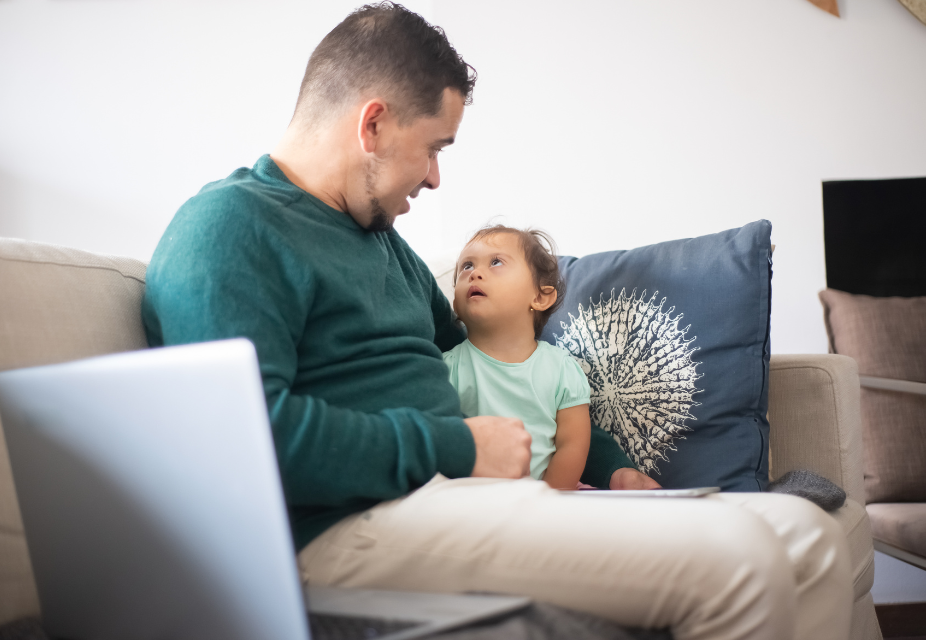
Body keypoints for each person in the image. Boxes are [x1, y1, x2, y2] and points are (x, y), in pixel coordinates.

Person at [141, 3, 853, 639]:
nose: (434, 178)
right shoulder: (229, 230)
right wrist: (454, 448)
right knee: (743, 560)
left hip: (449, 500)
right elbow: (252, 442)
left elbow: (495, 365)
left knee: (803, 537)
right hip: (336, 527)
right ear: (373, 123)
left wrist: (616, 470)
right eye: (435, 147)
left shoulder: (379, 243)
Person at [444, 225, 644, 490]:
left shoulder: (561, 368)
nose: (475, 274)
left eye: (495, 262)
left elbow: (572, 445)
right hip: (471, 503)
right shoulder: (445, 368)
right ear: (455, 303)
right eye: (466, 267)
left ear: (539, 296)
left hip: (547, 498)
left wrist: (547, 498)